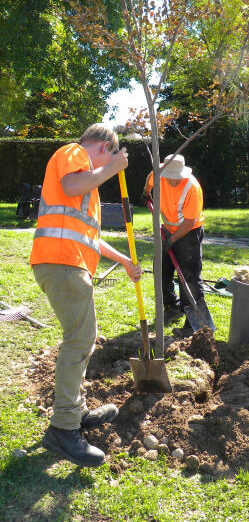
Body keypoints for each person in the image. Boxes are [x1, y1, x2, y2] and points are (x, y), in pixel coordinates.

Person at [30, 124, 142, 467]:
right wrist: (112, 168)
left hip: (70, 264)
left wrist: (123, 260)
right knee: (79, 340)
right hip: (61, 263)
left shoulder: (88, 188)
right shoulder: (73, 153)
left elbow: (89, 237)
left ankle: (75, 413)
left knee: (84, 338)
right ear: (104, 147)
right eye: (108, 156)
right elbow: (71, 183)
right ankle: (63, 429)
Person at [143, 154, 205, 331]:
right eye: (170, 178)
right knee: (161, 270)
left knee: (189, 277)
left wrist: (171, 240)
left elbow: (188, 223)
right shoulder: (159, 174)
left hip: (189, 233)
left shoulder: (192, 187)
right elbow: (150, 178)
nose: (173, 182)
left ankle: (193, 323)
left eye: (177, 178)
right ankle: (172, 307)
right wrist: (146, 191)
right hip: (167, 230)